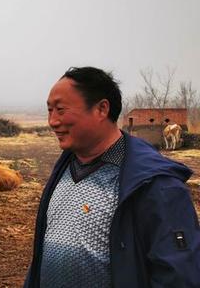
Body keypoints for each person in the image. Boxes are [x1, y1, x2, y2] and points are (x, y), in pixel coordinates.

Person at [25, 67, 200, 287]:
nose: (52, 121)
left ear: (101, 109)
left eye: (60, 110)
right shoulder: (64, 169)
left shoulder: (156, 185)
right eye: (49, 111)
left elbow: (179, 275)